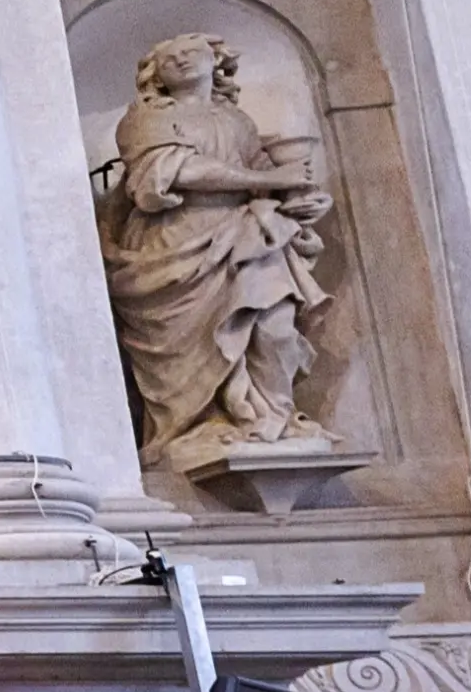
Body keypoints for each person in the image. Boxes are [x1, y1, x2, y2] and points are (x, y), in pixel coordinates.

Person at [99, 34, 334, 462]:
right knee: (199, 344)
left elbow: (264, 172)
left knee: (276, 327)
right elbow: (174, 170)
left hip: (248, 238)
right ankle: (205, 423)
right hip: (176, 240)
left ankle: (273, 420)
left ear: (217, 61)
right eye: (170, 58)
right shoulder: (145, 117)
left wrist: (300, 195)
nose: (183, 59)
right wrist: (268, 182)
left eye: (194, 51)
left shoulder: (237, 122)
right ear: (156, 76)